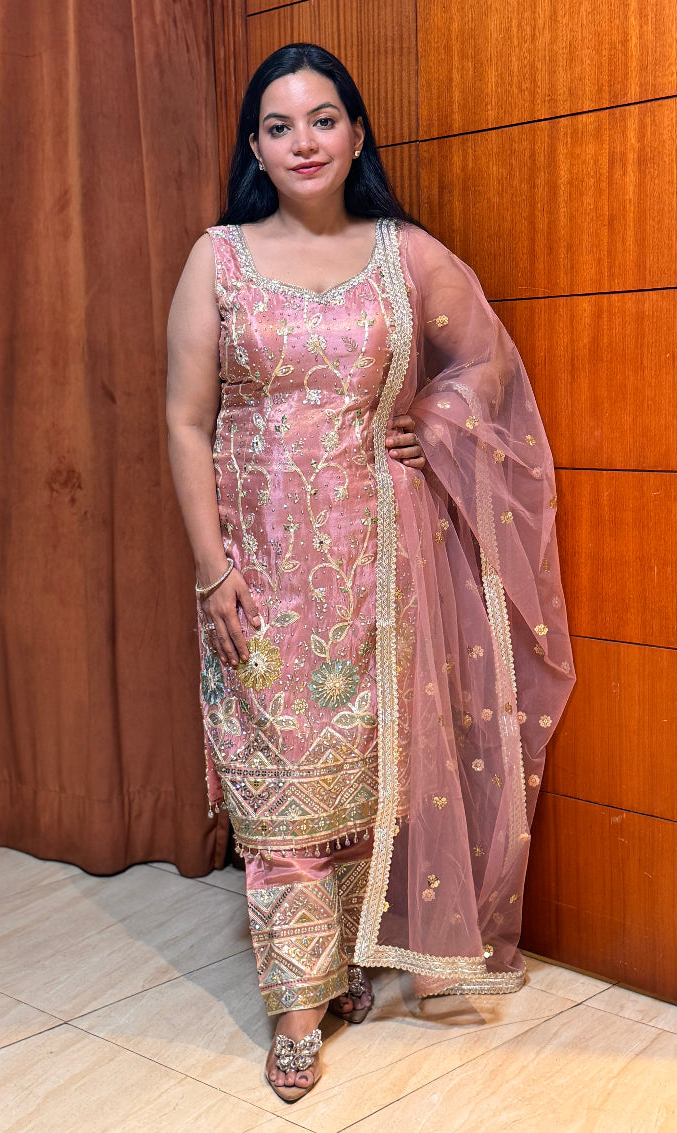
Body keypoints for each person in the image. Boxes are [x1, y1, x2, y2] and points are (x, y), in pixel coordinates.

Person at [166, 42, 575, 1103]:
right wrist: (212, 571)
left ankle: (340, 963)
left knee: (365, 785)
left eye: (321, 119)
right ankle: (294, 1008)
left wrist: (427, 420)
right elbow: (181, 418)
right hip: (257, 573)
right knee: (279, 793)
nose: (301, 142)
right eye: (277, 125)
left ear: (354, 133)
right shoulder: (218, 257)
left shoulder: (405, 255)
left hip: (379, 572)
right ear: (254, 145)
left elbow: (483, 361)